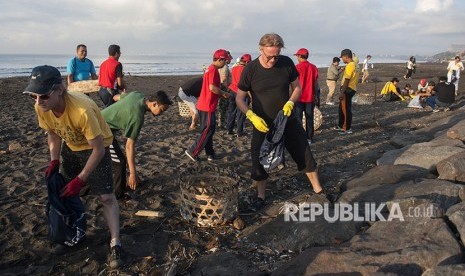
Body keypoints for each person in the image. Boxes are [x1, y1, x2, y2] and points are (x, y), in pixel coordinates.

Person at [23, 65, 123, 268]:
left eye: (43, 96)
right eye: (34, 96)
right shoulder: (41, 107)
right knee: (67, 194)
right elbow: (53, 133)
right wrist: (54, 160)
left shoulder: (81, 110)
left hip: (98, 146)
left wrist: (81, 178)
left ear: (59, 89)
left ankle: (116, 242)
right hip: (71, 145)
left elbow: (98, 150)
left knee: (105, 197)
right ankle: (74, 234)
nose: (38, 101)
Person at [235, 33, 327, 211]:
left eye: (276, 56)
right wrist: (251, 116)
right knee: (258, 158)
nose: (272, 60)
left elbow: (297, 87)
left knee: (304, 152)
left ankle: (318, 190)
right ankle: (261, 196)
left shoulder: (286, 63)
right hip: (262, 121)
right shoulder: (250, 69)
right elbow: (239, 98)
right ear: (261, 49)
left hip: (287, 118)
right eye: (269, 56)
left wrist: (291, 102)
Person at [101, 91, 173, 199]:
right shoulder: (137, 117)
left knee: (113, 160)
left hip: (100, 120)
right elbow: (129, 146)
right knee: (119, 162)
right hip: (101, 131)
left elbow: (116, 97)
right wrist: (133, 174)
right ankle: (118, 195)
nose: (161, 114)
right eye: (162, 110)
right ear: (154, 104)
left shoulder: (138, 95)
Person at [185, 49, 231, 162]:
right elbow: (212, 88)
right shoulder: (213, 70)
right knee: (208, 130)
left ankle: (210, 153)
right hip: (207, 105)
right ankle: (193, 151)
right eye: (225, 61)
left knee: (209, 129)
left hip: (204, 104)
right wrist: (224, 93)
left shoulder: (210, 69)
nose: (225, 63)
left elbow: (211, 86)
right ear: (220, 59)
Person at [293, 48, 319, 144]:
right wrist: (316, 95)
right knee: (309, 118)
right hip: (310, 97)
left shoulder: (297, 67)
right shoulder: (314, 67)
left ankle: (301, 138)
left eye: (297, 56)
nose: (297, 58)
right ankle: (309, 138)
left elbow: (293, 84)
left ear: (299, 56)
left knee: (298, 118)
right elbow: (316, 84)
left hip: (299, 97)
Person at [226, 54, 252, 137]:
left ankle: (229, 129)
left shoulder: (234, 68)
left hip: (232, 90)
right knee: (241, 113)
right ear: (247, 62)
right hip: (241, 92)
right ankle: (240, 131)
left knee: (231, 111)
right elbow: (247, 85)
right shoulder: (246, 70)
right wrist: (251, 96)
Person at [337, 49, 360, 135]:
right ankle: (341, 125)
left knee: (345, 109)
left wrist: (342, 92)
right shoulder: (356, 65)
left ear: (346, 57)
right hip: (352, 88)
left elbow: (347, 79)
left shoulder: (350, 65)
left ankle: (347, 128)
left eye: (342, 57)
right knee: (342, 108)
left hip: (348, 89)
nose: (342, 59)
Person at [217, 51, 233, 128]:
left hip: (222, 88)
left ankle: (222, 122)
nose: (231, 59)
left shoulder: (224, 66)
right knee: (223, 106)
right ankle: (222, 123)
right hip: (224, 88)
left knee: (223, 106)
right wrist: (227, 90)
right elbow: (224, 79)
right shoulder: (224, 67)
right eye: (230, 58)